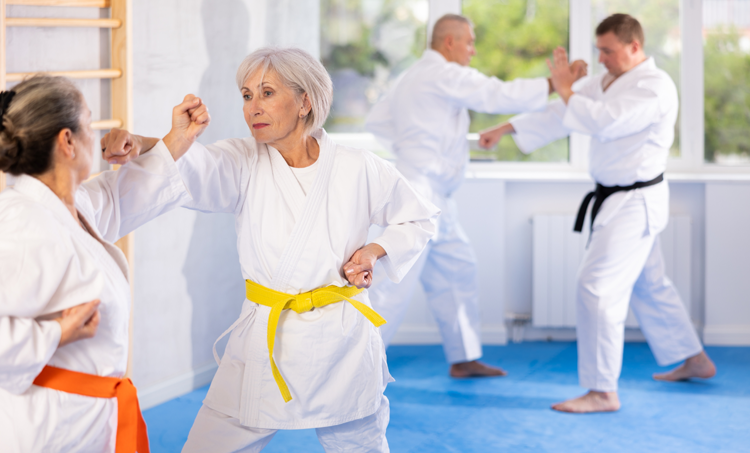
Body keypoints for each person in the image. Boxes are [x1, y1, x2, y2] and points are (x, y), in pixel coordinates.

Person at [101, 47, 439, 452]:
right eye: (246, 96)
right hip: (264, 337)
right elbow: (196, 165)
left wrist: (372, 251)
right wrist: (137, 144)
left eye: (266, 93)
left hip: (341, 341)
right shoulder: (242, 160)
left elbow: (418, 218)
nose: (253, 108)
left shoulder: (358, 166)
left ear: (305, 102)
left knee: (360, 443)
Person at [479, 13, 716, 413]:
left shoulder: (655, 87)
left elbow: (605, 123)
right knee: (650, 285)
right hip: (615, 200)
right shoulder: (606, 81)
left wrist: (569, 90)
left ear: (634, 46)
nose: (601, 58)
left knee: (596, 288)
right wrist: (506, 129)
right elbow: (560, 113)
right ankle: (694, 359)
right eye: (598, 50)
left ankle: (602, 390)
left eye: (608, 50)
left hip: (635, 201)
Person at [365, 13, 586, 378]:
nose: (474, 50)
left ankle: (464, 357)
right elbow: (494, 93)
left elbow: (378, 121)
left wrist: (417, 146)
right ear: (448, 43)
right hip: (419, 191)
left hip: (430, 193)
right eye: (469, 42)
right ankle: (355, 362)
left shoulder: (413, 77)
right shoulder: (441, 72)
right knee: (392, 282)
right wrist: (554, 82)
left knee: (457, 269)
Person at [0, 75, 209, 451]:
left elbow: (117, 198)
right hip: (49, 427)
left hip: (85, 419)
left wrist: (179, 137)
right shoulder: (22, 222)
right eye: (90, 123)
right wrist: (55, 335)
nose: (96, 137)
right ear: (67, 142)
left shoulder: (68, 205)